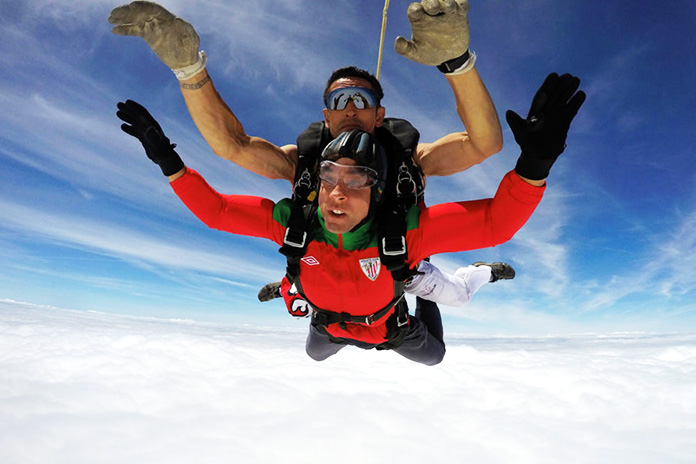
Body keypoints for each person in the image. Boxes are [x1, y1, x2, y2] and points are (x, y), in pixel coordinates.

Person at [116, 72, 586, 365]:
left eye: (357, 179)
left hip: (392, 317)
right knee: (313, 351)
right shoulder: (295, 223)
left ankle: (457, 286)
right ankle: (290, 292)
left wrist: (535, 165)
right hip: (327, 324)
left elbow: (494, 224)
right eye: (328, 176)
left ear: (378, 186)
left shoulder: (404, 231)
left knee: (440, 339)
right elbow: (217, 209)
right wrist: (168, 161)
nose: (337, 191)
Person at [108, 0, 513, 309]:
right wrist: (189, 69)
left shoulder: (408, 158)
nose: (350, 107)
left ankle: (479, 272)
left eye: (361, 98)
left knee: (456, 297)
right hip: (323, 261)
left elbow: (484, 144)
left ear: (379, 114)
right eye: (339, 100)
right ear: (326, 115)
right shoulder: (305, 160)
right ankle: (288, 285)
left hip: (398, 265)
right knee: (307, 285)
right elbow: (232, 145)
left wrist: (456, 62)